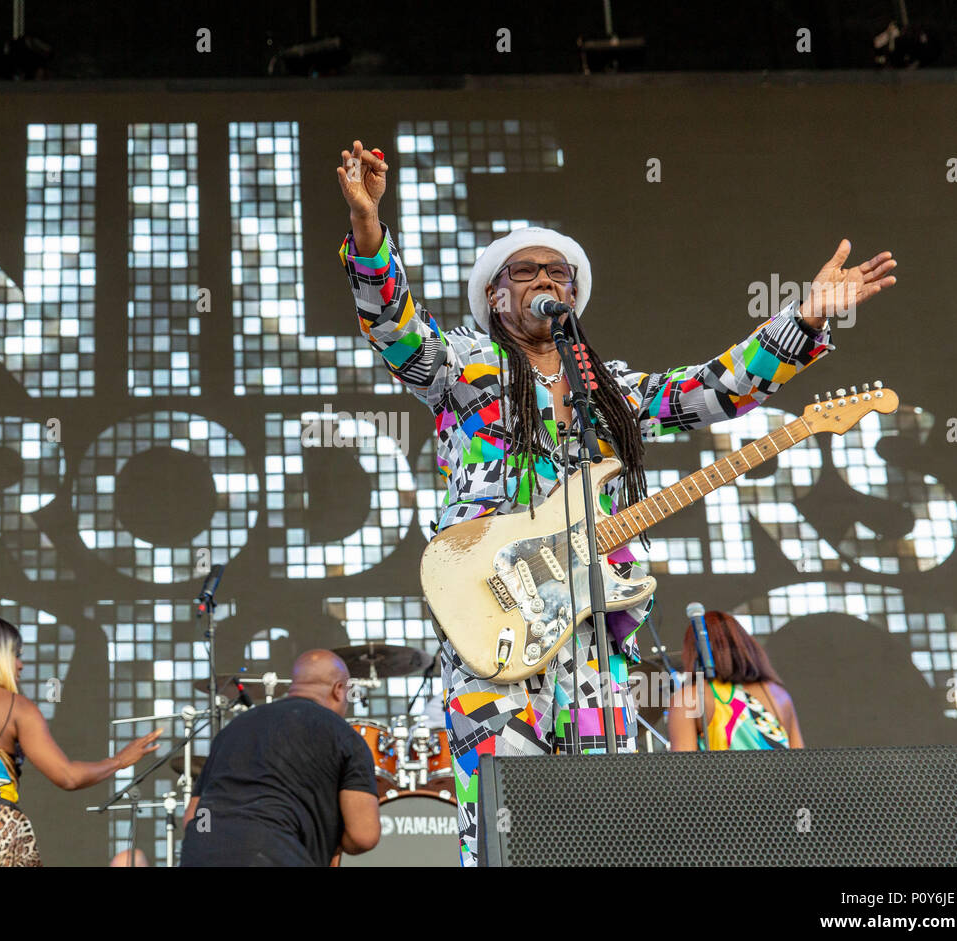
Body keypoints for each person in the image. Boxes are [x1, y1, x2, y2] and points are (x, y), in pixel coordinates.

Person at [335, 138, 896, 865]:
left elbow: (717, 388)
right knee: (506, 819)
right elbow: (392, 325)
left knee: (599, 825)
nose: (547, 280)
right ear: (495, 296)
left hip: (594, 631)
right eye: (527, 271)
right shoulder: (462, 366)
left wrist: (806, 318)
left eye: (559, 273)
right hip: (492, 621)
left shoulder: (614, 392)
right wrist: (369, 229)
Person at [0, 614, 163, 866]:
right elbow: (67, 776)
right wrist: (118, 761)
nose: (21, 664)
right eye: (16, 655)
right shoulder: (17, 707)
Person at [179, 649, 380, 866]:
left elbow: (193, 816)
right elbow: (364, 835)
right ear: (339, 690)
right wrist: (326, 837)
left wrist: (208, 837)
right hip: (272, 853)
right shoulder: (344, 736)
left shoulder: (235, 728)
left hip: (200, 852)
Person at [666, 610, 805, 750]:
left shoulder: (690, 699)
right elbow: (800, 763)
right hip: (778, 772)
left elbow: (684, 768)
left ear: (693, 652)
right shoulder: (778, 694)